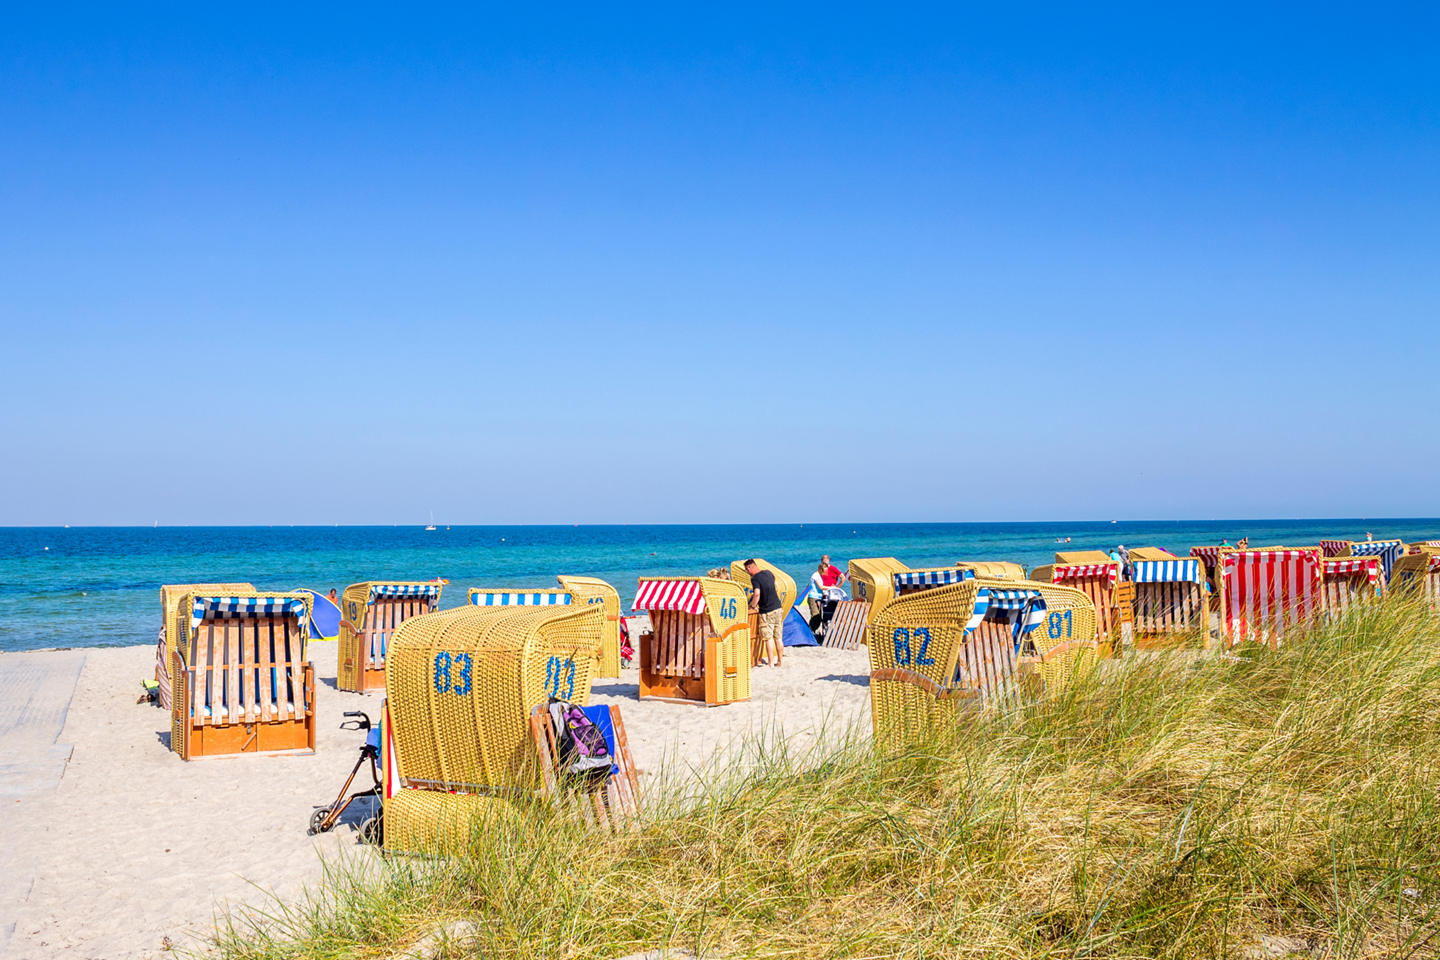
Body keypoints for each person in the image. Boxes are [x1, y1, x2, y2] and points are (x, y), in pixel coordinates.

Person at [745, 559, 784, 668]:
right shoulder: (768, 573)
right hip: (778, 607)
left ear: (749, 568)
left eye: (747, 571)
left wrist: (752, 606)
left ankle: (771, 663)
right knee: (778, 637)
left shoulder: (755, 579)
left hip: (767, 610)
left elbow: (757, 594)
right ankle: (780, 661)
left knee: (768, 638)